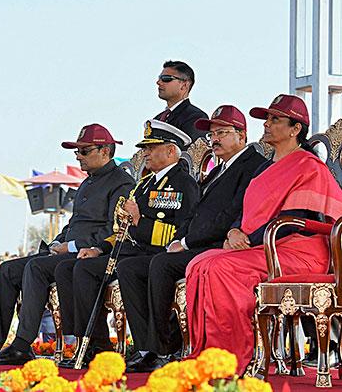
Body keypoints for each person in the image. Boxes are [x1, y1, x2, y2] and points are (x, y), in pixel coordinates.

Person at [0, 123, 135, 365]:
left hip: (90, 255)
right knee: (8, 269)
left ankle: (22, 344)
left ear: (105, 151)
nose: (78, 157)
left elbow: (112, 230)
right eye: (76, 152)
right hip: (67, 250)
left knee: (36, 268)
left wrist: (70, 247)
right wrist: (59, 241)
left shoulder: (121, 182)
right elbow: (74, 223)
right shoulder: (87, 183)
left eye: (84, 151)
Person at [185, 94, 342, 373]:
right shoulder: (264, 167)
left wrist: (249, 241)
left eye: (275, 119)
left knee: (221, 268)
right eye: (266, 119)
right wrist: (234, 232)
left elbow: (297, 220)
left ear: (295, 129)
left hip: (298, 250)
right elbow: (245, 214)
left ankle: (232, 359)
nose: (267, 125)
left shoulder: (308, 165)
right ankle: (206, 354)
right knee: (200, 263)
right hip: (263, 246)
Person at [118, 106, 266, 372]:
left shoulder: (252, 165)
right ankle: (146, 346)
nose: (215, 139)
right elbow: (195, 214)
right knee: (129, 267)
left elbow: (229, 214)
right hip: (197, 242)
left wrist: (185, 243)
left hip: (222, 245)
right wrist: (182, 238)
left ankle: (165, 347)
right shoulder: (218, 170)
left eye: (222, 132)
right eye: (212, 134)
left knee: (161, 264)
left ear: (242, 136)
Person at [55, 120, 200, 368]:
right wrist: (100, 248)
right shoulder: (144, 185)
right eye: (145, 148)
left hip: (155, 253)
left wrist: (139, 221)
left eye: (152, 148)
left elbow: (181, 230)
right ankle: (94, 345)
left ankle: (149, 348)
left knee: (128, 269)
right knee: (75, 267)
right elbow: (119, 228)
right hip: (127, 250)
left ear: (171, 151)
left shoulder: (183, 183)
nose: (145, 153)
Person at [154, 60, 208, 142]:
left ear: (184, 85)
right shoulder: (157, 119)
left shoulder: (196, 117)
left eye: (166, 79)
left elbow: (193, 153)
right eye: (159, 78)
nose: (158, 82)